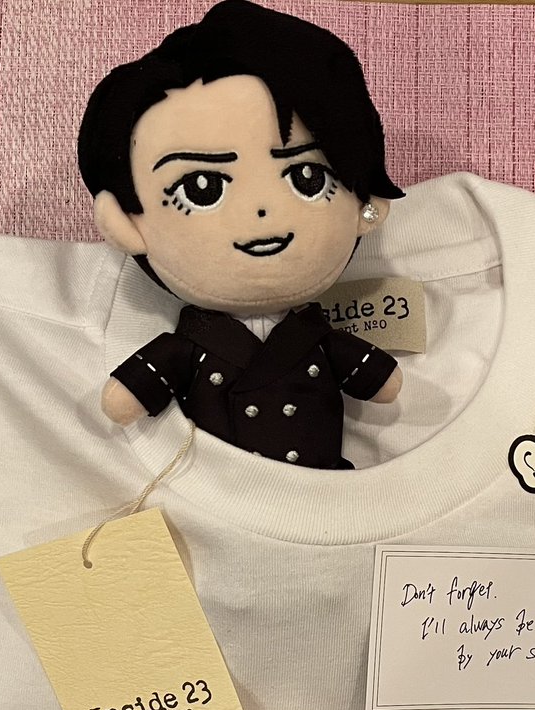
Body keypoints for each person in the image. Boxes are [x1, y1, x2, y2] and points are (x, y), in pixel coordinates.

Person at [77, 0, 404, 469]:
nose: (261, 209)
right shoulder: (192, 346)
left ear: (366, 205)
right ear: (126, 226)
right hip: (210, 496)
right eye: (201, 187)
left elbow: (383, 384)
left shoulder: (316, 339)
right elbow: (124, 399)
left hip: (326, 492)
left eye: (307, 178)